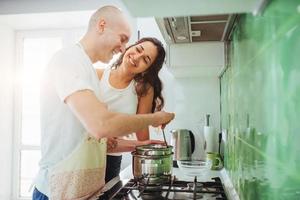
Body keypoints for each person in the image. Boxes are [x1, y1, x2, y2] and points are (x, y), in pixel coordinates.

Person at [32, 6, 174, 200]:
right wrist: (156, 117)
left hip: (83, 190)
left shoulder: (87, 70)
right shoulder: (67, 60)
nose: (124, 49)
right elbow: (101, 125)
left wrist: (139, 144)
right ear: (101, 26)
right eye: (123, 39)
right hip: (56, 191)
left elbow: (96, 138)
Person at [95, 37, 166, 183]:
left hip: (111, 160)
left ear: (148, 69)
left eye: (145, 60)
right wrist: (100, 135)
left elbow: (142, 135)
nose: (137, 57)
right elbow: (77, 116)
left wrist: (156, 171)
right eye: (138, 49)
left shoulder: (143, 89)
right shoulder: (97, 75)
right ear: (130, 47)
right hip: (86, 157)